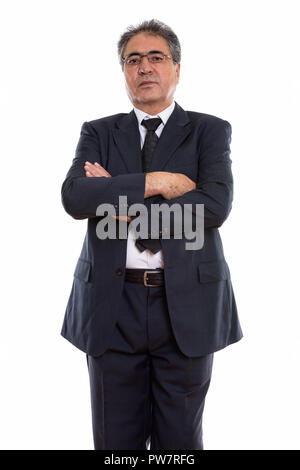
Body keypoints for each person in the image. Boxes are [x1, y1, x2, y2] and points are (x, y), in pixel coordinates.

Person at [60, 19, 243, 450]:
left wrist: (115, 192)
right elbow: (74, 198)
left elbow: (214, 208)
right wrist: (159, 181)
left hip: (186, 307)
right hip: (111, 306)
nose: (144, 68)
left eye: (156, 58)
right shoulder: (99, 131)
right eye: (133, 60)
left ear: (176, 68)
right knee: (114, 445)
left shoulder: (209, 131)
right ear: (123, 71)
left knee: (178, 444)